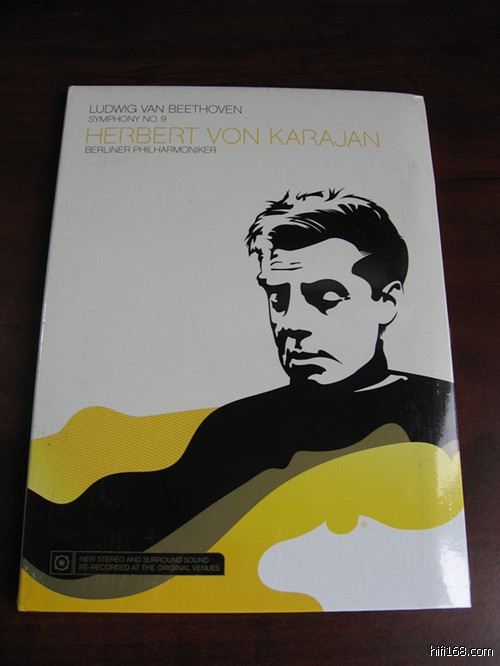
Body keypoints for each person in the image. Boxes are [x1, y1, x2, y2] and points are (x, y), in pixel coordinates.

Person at [23, 187, 457, 578]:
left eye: (326, 298)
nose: (291, 323)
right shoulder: (240, 425)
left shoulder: (439, 414)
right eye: (277, 296)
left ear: (387, 301)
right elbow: (110, 529)